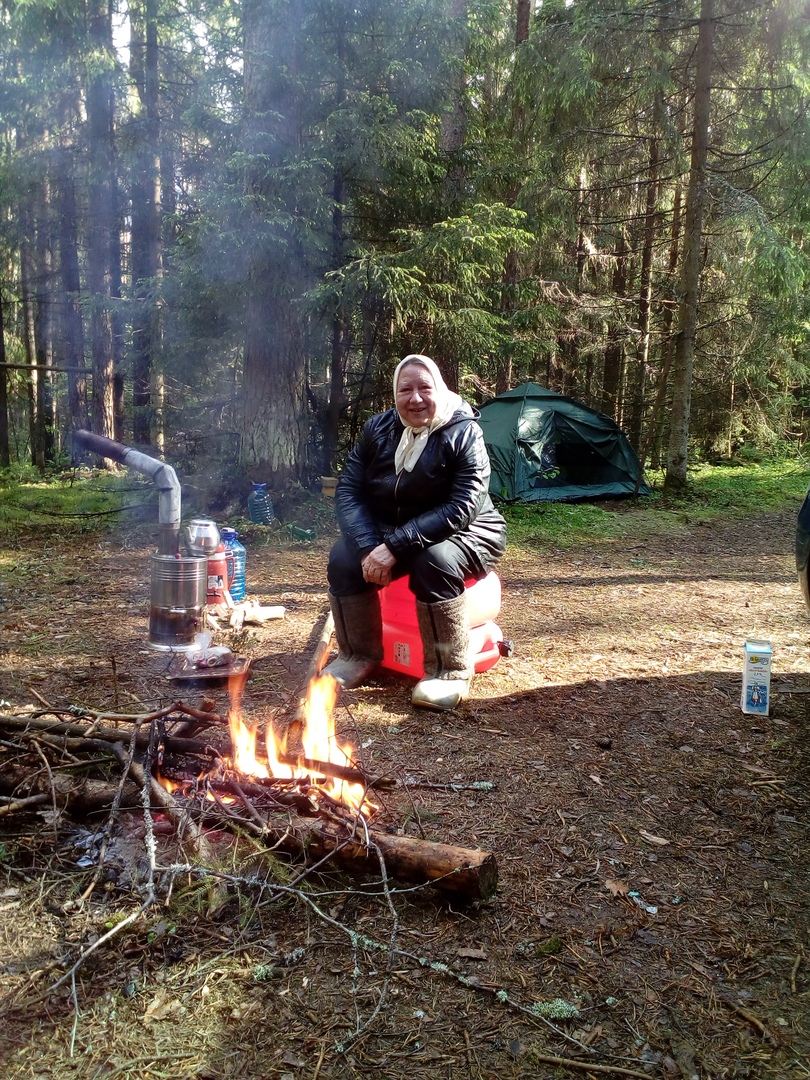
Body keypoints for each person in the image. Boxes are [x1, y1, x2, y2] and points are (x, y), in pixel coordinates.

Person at [324, 354, 507, 711]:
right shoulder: (377, 429)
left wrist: (394, 547)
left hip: (469, 529)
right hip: (394, 530)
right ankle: (357, 654)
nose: (416, 398)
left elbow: (463, 505)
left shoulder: (463, 430)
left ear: (439, 388)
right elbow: (348, 489)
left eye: (425, 387)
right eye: (405, 389)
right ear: (395, 394)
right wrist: (367, 546)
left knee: (433, 560)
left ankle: (448, 670)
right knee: (343, 558)